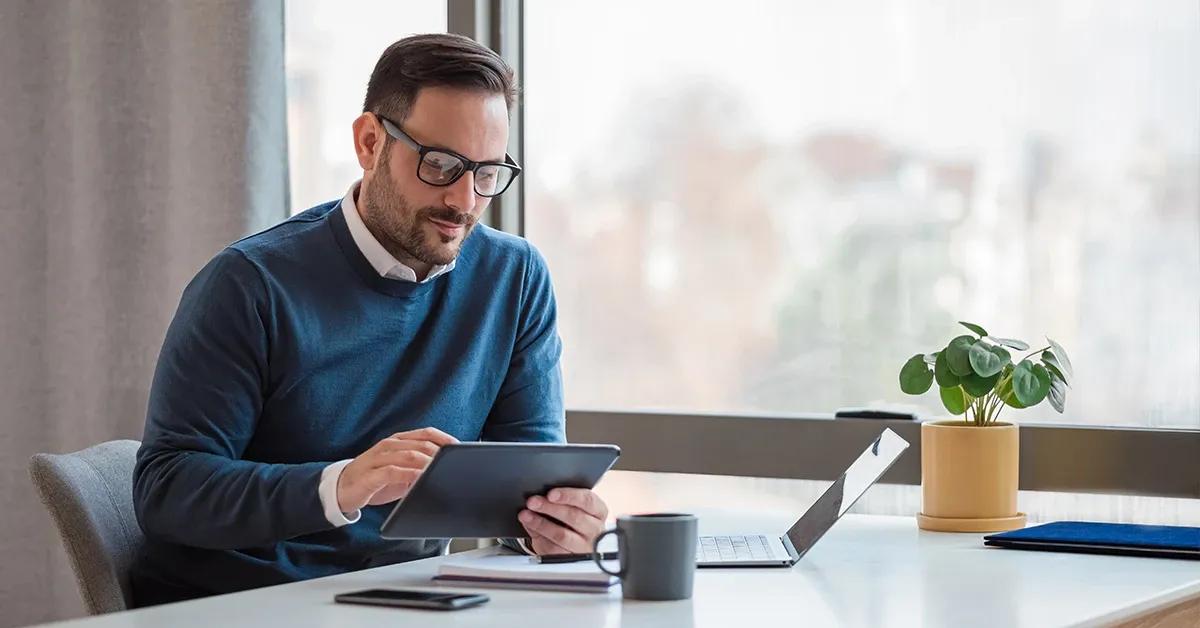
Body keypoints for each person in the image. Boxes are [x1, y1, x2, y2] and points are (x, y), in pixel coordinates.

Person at [130, 33, 608, 606]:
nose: (463, 200)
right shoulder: (249, 284)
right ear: (369, 141)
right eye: (440, 164)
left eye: (486, 173)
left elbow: (526, 480)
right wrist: (341, 483)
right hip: (236, 603)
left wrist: (554, 524)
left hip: (408, 599)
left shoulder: (515, 278)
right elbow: (167, 490)